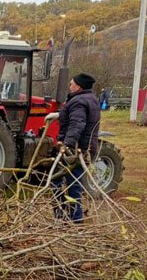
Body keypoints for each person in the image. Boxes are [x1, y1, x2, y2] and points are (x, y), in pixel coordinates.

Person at [51, 72, 100, 223]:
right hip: (85, 148)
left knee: (60, 182)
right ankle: (70, 217)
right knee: (73, 183)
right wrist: (59, 115)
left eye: (71, 84)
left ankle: (68, 218)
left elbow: (77, 124)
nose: (69, 86)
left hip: (76, 150)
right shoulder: (90, 99)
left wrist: (67, 145)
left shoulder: (78, 102)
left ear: (78, 86)